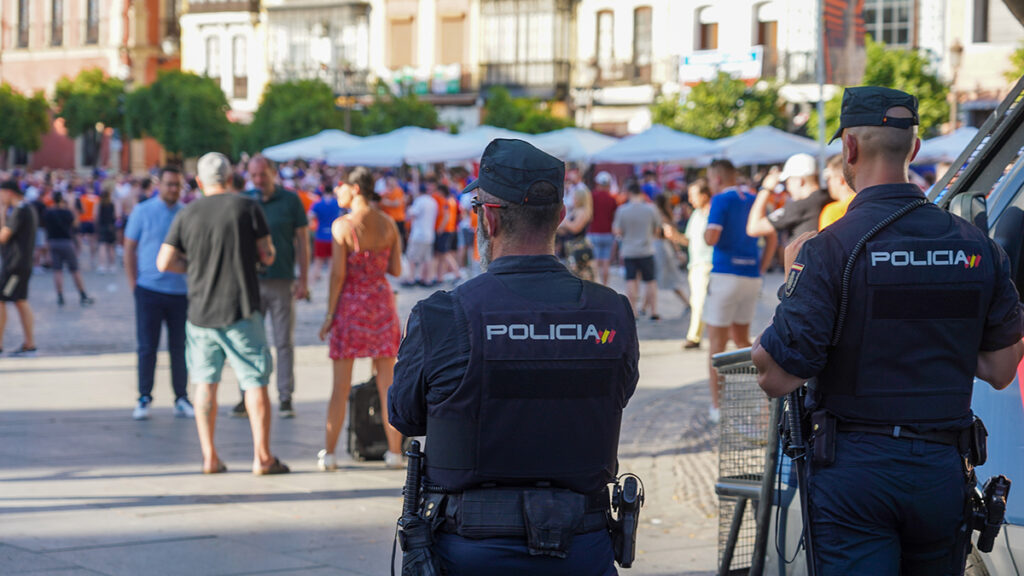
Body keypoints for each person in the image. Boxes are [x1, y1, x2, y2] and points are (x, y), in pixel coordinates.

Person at [752, 86, 1024, 574]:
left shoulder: (828, 249)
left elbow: (776, 377)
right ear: (914, 149)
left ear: (849, 150)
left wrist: (793, 282)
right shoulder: (977, 245)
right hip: (943, 471)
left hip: (855, 473)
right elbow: (1002, 369)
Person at [389, 139, 639, 574]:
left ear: (487, 218)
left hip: (469, 550)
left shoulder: (442, 314)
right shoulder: (611, 311)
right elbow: (619, 394)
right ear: (560, 217)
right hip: (583, 547)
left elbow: (406, 415)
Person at [157, 152, 289, 476]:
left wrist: (194, 266)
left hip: (201, 310)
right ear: (230, 179)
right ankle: (262, 457)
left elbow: (163, 262)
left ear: (200, 182)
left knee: (205, 383)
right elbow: (268, 254)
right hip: (241, 307)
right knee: (255, 381)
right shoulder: (247, 207)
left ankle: (209, 456)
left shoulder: (187, 213)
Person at [316, 167, 404, 471]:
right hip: (381, 305)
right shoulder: (389, 223)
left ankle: (329, 454)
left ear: (355, 189)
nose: (337, 192)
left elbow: (338, 275)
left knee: (340, 386)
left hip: (351, 308)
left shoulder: (343, 226)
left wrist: (329, 315)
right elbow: (396, 270)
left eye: (340, 186)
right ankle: (395, 453)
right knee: (387, 385)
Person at [233, 155, 309, 420]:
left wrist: (304, 279)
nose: (257, 181)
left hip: (281, 279)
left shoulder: (290, 200)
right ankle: (246, 393)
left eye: (262, 175)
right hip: (250, 281)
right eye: (253, 176)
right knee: (248, 341)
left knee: (283, 341)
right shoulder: (245, 199)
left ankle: (285, 395)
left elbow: (302, 242)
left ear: (272, 173)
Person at [703, 159, 775, 423]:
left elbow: (711, 237)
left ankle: (717, 407)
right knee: (743, 341)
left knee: (716, 345)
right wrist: (762, 266)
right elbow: (772, 236)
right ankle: (766, 402)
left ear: (718, 179)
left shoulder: (721, 199)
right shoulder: (753, 197)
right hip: (750, 275)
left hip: (725, 274)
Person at [124, 166, 191, 421]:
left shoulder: (186, 213)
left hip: (179, 290)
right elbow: (129, 248)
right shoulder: (143, 211)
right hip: (149, 289)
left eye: (177, 185)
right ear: (158, 185)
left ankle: (181, 397)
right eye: (169, 184)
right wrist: (134, 285)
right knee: (147, 347)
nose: (173, 189)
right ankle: (144, 396)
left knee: (180, 347)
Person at [746, 153, 831, 246]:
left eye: (788, 181)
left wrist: (765, 190)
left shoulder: (801, 206)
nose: (787, 188)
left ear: (800, 181)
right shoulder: (828, 196)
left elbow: (754, 228)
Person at [613, 180, 661, 319]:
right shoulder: (651, 209)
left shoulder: (622, 210)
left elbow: (617, 231)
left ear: (628, 193)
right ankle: (654, 311)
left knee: (631, 281)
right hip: (647, 249)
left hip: (629, 250)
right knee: (650, 281)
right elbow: (657, 230)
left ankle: (633, 311)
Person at [0, 180, 38, 357]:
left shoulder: (19, 210)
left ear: (9, 193)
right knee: (20, 300)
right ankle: (29, 343)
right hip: (21, 264)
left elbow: (3, 236)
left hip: (14, 265)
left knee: (3, 300)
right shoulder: (27, 208)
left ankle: (4, 343)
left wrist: (1, 213)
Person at [43, 193, 95, 308]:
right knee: (75, 270)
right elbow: (76, 224)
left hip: (53, 242)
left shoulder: (48, 212)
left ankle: (60, 296)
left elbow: (45, 226)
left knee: (57, 270)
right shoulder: (67, 212)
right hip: (66, 242)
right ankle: (82, 295)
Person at [682, 180, 713, 349]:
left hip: (707, 263)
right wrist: (674, 237)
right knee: (697, 300)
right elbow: (688, 240)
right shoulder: (696, 215)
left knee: (699, 301)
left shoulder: (713, 214)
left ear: (704, 195)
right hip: (696, 264)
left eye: (693, 195)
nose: (690, 199)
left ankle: (694, 337)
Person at [653, 194, 690, 308]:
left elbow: (670, 235)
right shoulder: (666, 215)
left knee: (657, 279)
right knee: (655, 279)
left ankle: (687, 303)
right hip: (664, 248)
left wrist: (678, 251)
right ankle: (646, 307)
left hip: (660, 248)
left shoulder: (659, 216)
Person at [557, 178, 595, 281]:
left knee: (578, 275)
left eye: (575, 197)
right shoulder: (576, 210)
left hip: (578, 246)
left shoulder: (583, 211)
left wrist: (564, 223)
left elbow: (575, 228)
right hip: (570, 246)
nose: (573, 199)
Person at [402, 183, 438, 287]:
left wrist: (408, 206)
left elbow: (411, 214)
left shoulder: (419, 201)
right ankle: (427, 279)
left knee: (412, 257)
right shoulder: (432, 201)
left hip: (419, 234)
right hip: (429, 234)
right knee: (427, 259)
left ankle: (411, 279)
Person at [588, 171, 619, 286]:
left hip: (594, 232)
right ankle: (605, 285)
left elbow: (589, 214)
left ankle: (596, 284)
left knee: (595, 261)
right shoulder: (612, 199)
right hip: (608, 233)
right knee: (606, 261)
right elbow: (614, 216)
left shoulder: (592, 196)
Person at [310, 188, 341, 283]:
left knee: (317, 263)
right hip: (333, 237)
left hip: (320, 236)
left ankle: (309, 288)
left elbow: (309, 217)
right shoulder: (337, 203)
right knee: (331, 264)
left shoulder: (318, 204)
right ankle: (330, 287)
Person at [818, 154, 856, 229]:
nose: (828, 182)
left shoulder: (833, 212)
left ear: (840, 180)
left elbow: (827, 240)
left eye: (829, 178)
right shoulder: (870, 202)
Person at [75, 185, 99, 270]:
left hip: (83, 220)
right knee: (92, 241)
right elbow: (96, 212)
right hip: (91, 221)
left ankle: (78, 258)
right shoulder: (97, 199)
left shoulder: (82, 198)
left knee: (80, 240)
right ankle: (92, 259)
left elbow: (81, 210)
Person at [96, 185, 118, 273]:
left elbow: (96, 216)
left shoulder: (99, 204)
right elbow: (116, 215)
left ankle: (102, 265)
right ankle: (112, 265)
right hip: (111, 226)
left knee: (102, 246)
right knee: (111, 247)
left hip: (102, 226)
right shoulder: (112, 204)